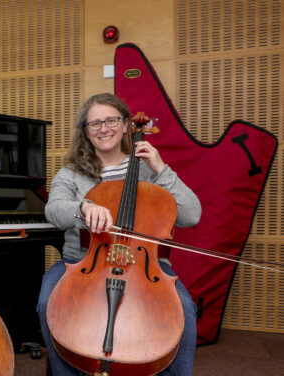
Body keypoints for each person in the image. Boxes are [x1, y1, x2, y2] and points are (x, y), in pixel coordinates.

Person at [37, 93, 201, 376]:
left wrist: (162, 169)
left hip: (147, 266)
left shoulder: (149, 172)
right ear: (86, 132)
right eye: (95, 123)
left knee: (183, 311)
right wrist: (84, 207)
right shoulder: (71, 174)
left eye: (111, 120)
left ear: (126, 125)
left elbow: (191, 216)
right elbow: (54, 210)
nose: (104, 128)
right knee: (46, 304)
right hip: (81, 262)